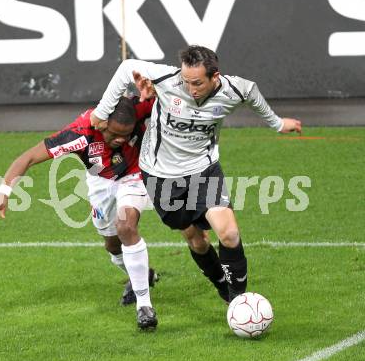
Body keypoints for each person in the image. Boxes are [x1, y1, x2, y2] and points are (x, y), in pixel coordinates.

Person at [90, 45, 302, 307]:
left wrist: (278, 124)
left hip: (204, 170)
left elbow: (253, 93)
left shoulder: (234, 89)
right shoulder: (167, 78)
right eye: (186, 81)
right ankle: (221, 284)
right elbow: (125, 68)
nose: (191, 88)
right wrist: (102, 111)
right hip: (160, 177)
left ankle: (237, 301)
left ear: (215, 77)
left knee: (229, 234)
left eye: (197, 83)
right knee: (197, 239)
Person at [0, 97, 159, 330]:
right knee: (112, 246)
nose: (121, 140)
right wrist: (3, 192)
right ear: (101, 124)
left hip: (134, 175)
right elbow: (28, 158)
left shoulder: (139, 107)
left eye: (126, 134)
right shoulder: (79, 133)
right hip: (99, 180)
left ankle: (144, 306)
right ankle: (143, 275)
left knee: (126, 226)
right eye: (115, 134)